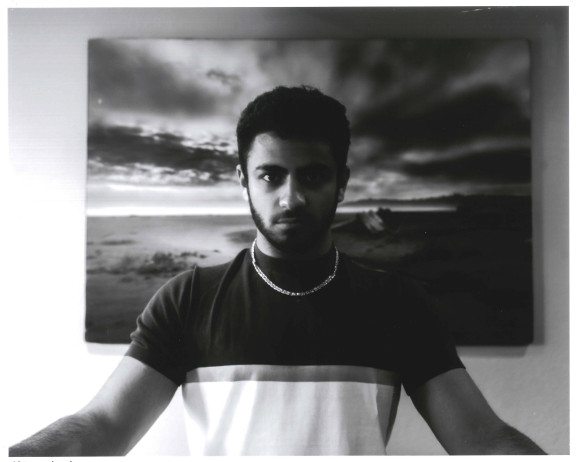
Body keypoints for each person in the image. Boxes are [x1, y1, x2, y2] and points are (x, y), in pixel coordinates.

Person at [9, 86, 545, 456]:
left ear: (342, 181)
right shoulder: (188, 299)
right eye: (271, 176)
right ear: (243, 179)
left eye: (313, 175)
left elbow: (485, 442)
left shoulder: (397, 303)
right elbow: (101, 427)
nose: (291, 197)